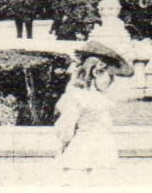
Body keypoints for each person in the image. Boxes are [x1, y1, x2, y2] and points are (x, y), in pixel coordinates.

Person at [54, 40, 134, 183]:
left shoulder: (99, 98)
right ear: (97, 73)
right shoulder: (79, 96)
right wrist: (65, 142)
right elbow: (66, 125)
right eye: (110, 77)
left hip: (103, 152)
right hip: (81, 152)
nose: (112, 82)